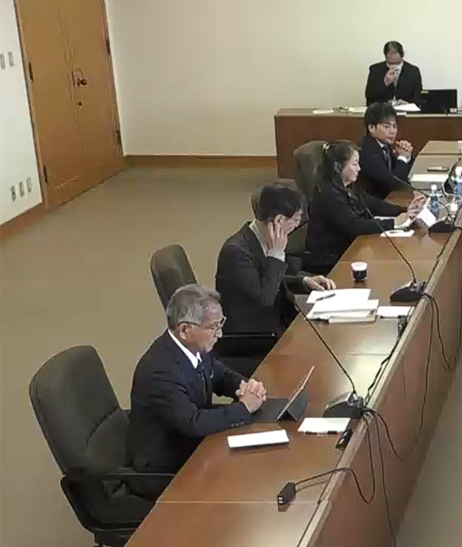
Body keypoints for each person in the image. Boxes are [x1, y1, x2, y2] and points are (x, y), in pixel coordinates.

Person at [127, 285, 269, 495]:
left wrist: (245, 386)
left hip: (193, 446)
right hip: (164, 469)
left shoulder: (194, 348)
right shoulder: (160, 370)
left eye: (221, 324)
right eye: (214, 327)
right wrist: (244, 408)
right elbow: (192, 423)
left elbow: (220, 374)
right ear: (185, 330)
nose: (220, 334)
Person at [214, 182, 336, 375]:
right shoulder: (236, 252)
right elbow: (265, 298)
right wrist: (277, 254)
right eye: (295, 219)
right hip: (252, 339)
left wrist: (303, 282)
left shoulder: (260, 239)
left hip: (275, 323)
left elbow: (265, 280)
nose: (297, 226)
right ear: (279, 220)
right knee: (316, 360)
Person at [303, 141, 426, 274]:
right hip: (330, 260)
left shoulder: (348, 186)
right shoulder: (329, 194)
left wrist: (406, 210)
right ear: (338, 167)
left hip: (349, 249)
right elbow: (354, 226)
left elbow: (374, 204)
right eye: (355, 164)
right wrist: (394, 223)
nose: (359, 169)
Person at [357, 103, 415, 200]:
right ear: (371, 128)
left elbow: (402, 174)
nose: (392, 131)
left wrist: (406, 156)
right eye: (387, 127)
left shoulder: (385, 146)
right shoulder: (367, 151)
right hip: (373, 203)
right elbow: (394, 183)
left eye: (394, 126)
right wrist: (402, 158)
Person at [365, 40, 423, 105]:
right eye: (390, 53)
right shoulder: (375, 69)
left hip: (405, 108)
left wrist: (407, 104)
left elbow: (418, 96)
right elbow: (369, 96)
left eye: (395, 53)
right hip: (382, 108)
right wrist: (385, 83)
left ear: (402, 54)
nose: (393, 56)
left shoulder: (413, 71)